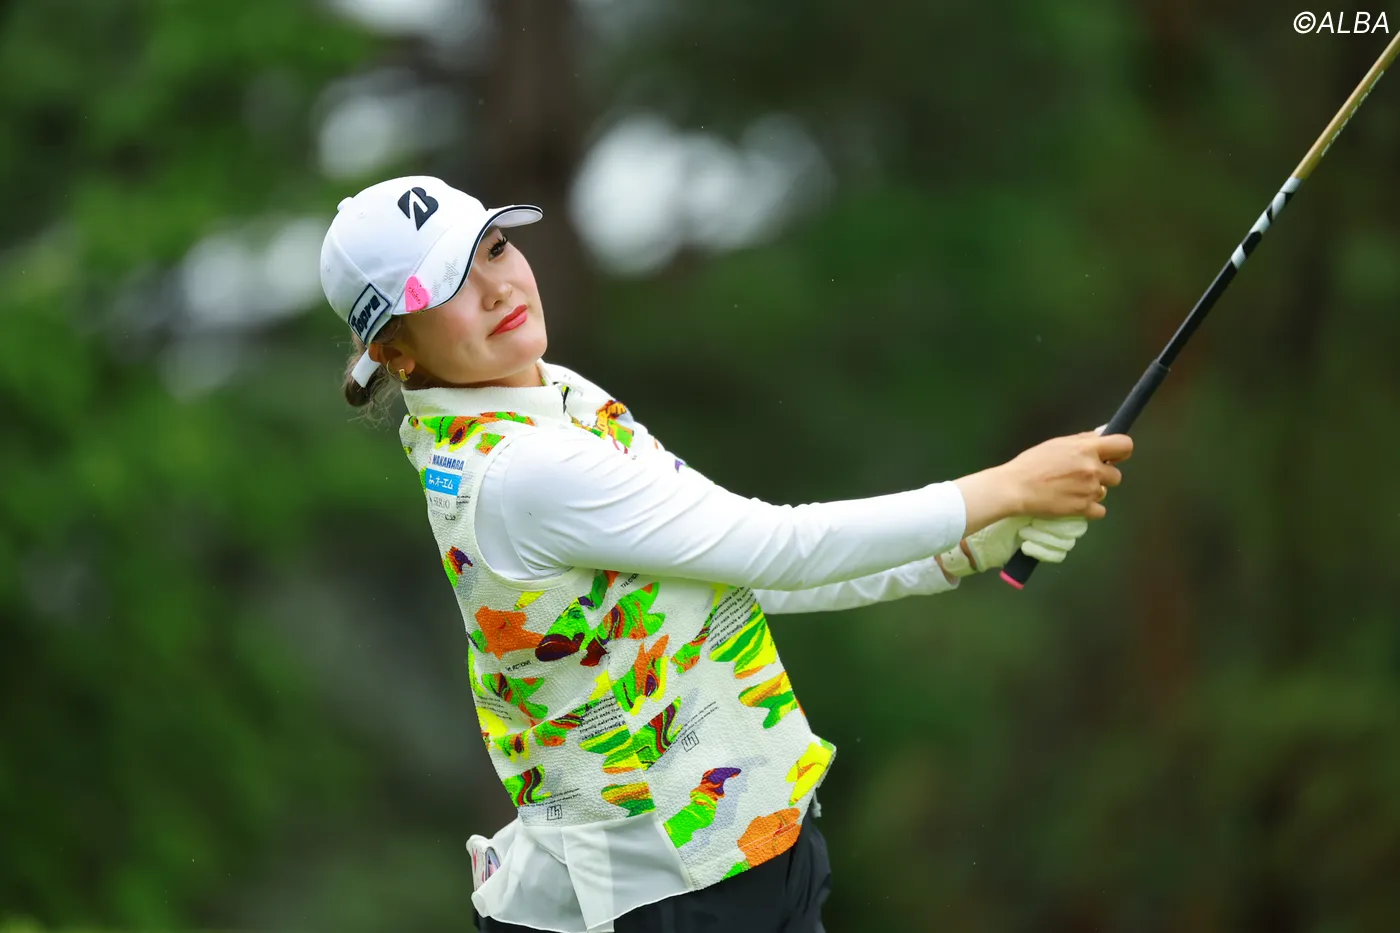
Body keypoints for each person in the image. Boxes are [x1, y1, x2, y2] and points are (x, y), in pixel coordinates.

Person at [319, 176, 1132, 933]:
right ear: (396, 351)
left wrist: (963, 548)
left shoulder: (553, 397)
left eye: (495, 248)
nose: (497, 286)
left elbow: (729, 568)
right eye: (449, 287)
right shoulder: (521, 468)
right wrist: (1005, 486)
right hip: (675, 891)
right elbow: (777, 545)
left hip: (748, 850)